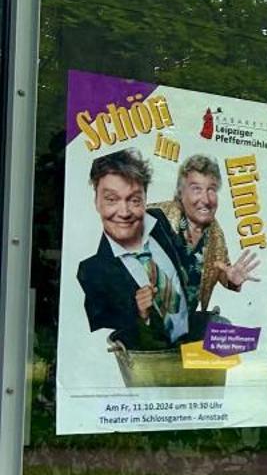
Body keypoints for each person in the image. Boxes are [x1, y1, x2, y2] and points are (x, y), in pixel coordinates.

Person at [76, 147, 193, 351]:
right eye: (112, 199)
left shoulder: (158, 220)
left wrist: (224, 276)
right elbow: (101, 344)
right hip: (155, 366)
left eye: (134, 200)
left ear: (145, 199)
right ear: (96, 202)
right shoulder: (92, 273)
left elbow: (184, 262)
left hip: (194, 347)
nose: (124, 212)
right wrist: (140, 315)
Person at [152, 154, 261, 320]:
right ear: (181, 193)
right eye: (197, 189)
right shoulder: (155, 217)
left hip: (185, 322)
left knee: (222, 328)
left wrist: (232, 280)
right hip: (147, 324)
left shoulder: (214, 232)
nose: (206, 199)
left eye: (211, 190)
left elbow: (222, 269)